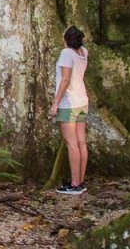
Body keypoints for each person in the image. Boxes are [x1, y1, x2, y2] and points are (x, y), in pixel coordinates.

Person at [50, 25, 89, 195]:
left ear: (66, 38)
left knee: (71, 143)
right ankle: (80, 181)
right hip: (82, 101)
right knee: (81, 142)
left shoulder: (66, 54)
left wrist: (55, 103)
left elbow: (65, 80)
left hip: (69, 103)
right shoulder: (83, 52)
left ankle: (74, 185)